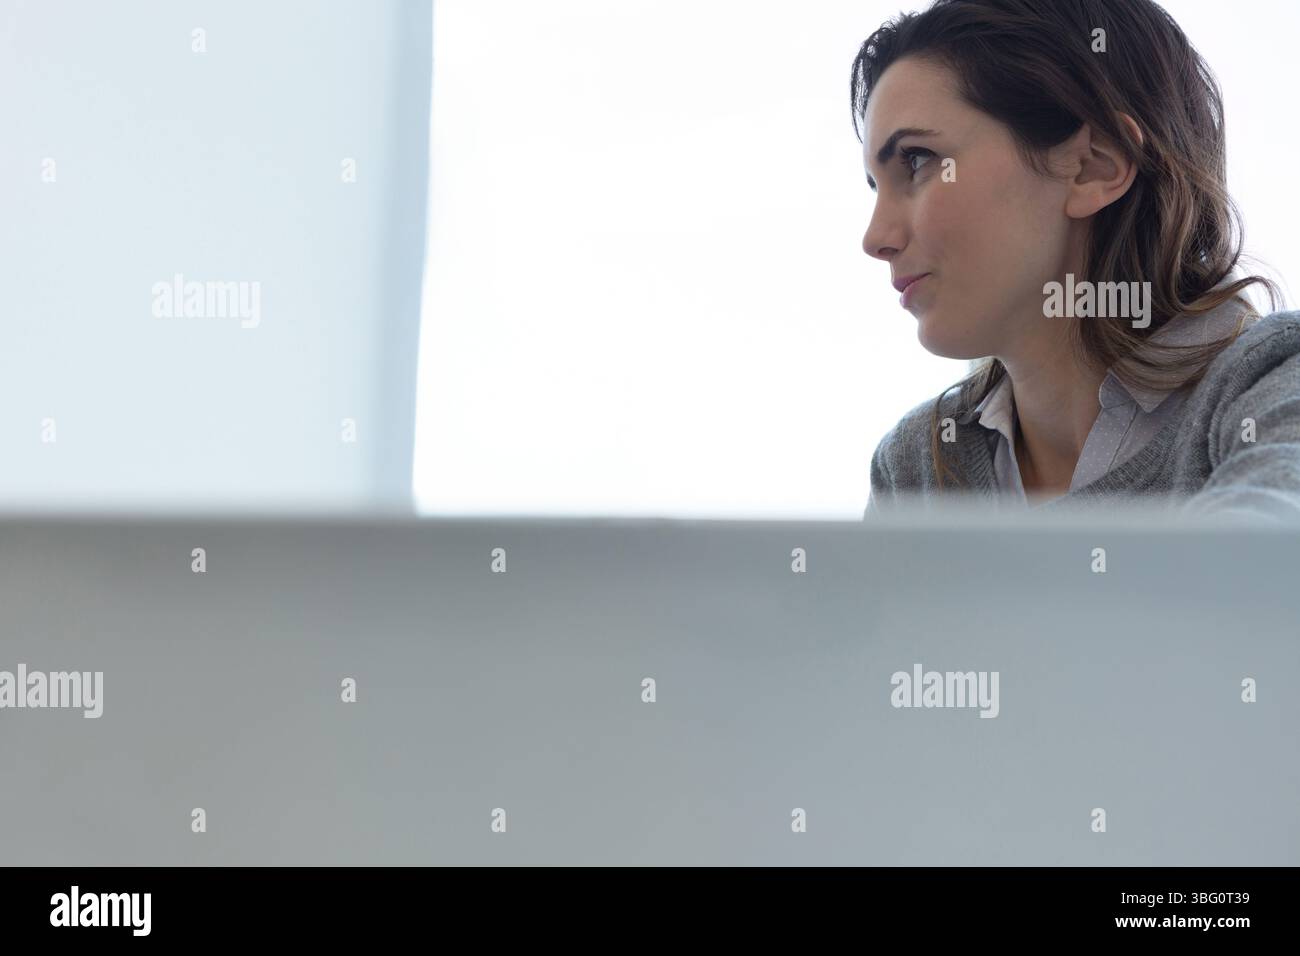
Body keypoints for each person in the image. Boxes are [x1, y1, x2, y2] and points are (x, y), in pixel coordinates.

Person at [856, 0, 1299, 518]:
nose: (875, 237)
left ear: (1092, 168)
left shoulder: (1270, 384)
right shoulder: (913, 468)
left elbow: (1266, 577)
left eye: (917, 160)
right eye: (874, 186)